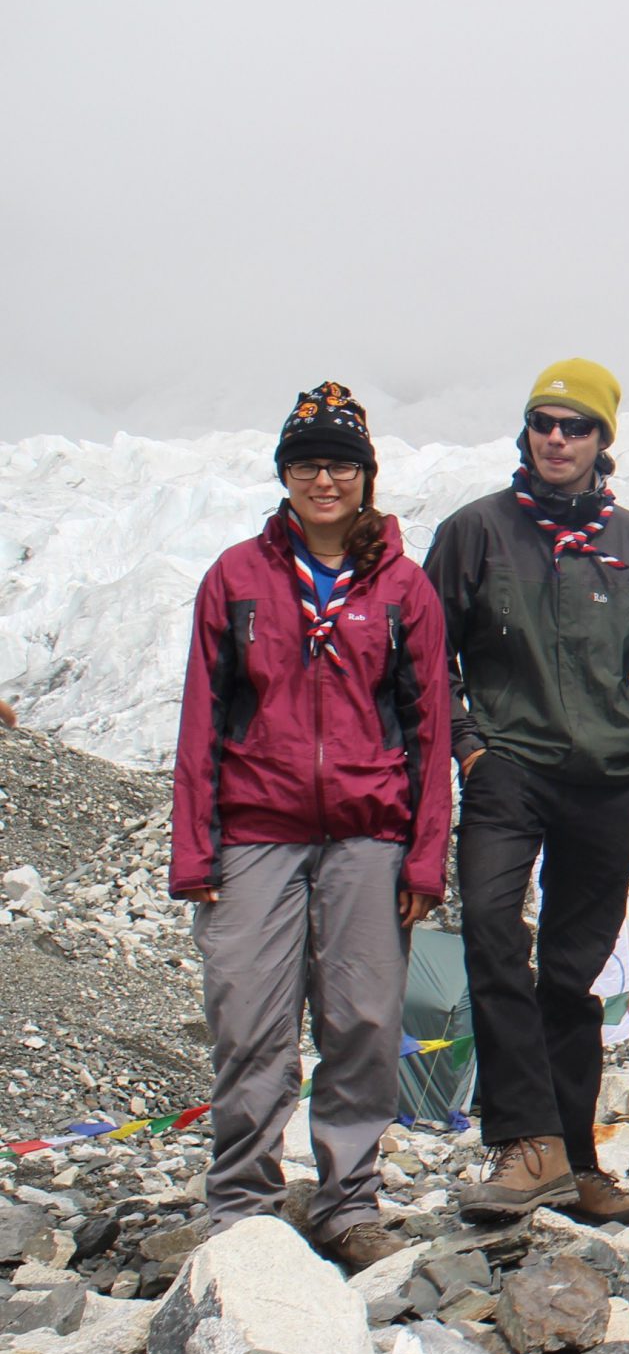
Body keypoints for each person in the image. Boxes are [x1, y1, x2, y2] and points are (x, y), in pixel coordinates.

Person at [170, 382, 449, 1270]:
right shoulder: (238, 577)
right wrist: (193, 846)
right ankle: (244, 1201)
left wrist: (424, 859)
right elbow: (202, 715)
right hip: (255, 830)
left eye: (339, 463)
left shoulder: (405, 588)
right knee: (248, 1017)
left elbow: (433, 727)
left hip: (370, 834)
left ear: (366, 476)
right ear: (284, 474)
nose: (322, 479)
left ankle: (346, 1201)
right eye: (305, 463)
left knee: (362, 1020)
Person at [427, 359, 629, 1223]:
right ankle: (524, 1141)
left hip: (607, 781)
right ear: (525, 432)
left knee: (572, 971)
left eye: (575, 425)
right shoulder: (476, 532)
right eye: (543, 422)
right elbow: (427, 658)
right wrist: (468, 749)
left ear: (604, 439)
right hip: (511, 768)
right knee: (492, 928)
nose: (556, 438)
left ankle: (573, 1156)